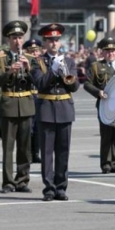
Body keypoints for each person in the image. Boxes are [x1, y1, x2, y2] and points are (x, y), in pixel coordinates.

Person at [31, 23, 80, 201]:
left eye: (57, 40)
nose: (54, 43)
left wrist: (65, 72)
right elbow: (41, 84)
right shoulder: (37, 62)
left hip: (65, 109)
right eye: (50, 40)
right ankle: (49, 188)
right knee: (47, 152)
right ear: (44, 42)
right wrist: (52, 71)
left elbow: (74, 87)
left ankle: (61, 187)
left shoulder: (69, 61)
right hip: (47, 110)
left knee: (63, 151)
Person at [0, 20, 35, 193]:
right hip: (9, 105)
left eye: (20, 37)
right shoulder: (1, 59)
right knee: (8, 147)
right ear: (9, 39)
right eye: (14, 38)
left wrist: (28, 69)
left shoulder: (31, 58)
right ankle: (8, 182)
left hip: (26, 105)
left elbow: (39, 82)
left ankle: (22, 180)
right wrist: (9, 71)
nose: (17, 41)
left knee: (25, 147)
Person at [84, 37, 115, 174]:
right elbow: (87, 84)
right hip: (104, 105)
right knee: (106, 135)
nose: (111, 53)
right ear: (102, 52)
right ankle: (105, 164)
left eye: (113, 50)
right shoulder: (96, 67)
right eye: (107, 51)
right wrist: (98, 92)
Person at [23, 39, 43, 163]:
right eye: (32, 51)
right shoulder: (25, 64)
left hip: (40, 97)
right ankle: (28, 153)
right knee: (28, 128)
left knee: (38, 128)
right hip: (29, 97)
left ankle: (36, 153)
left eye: (36, 50)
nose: (35, 53)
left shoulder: (42, 63)